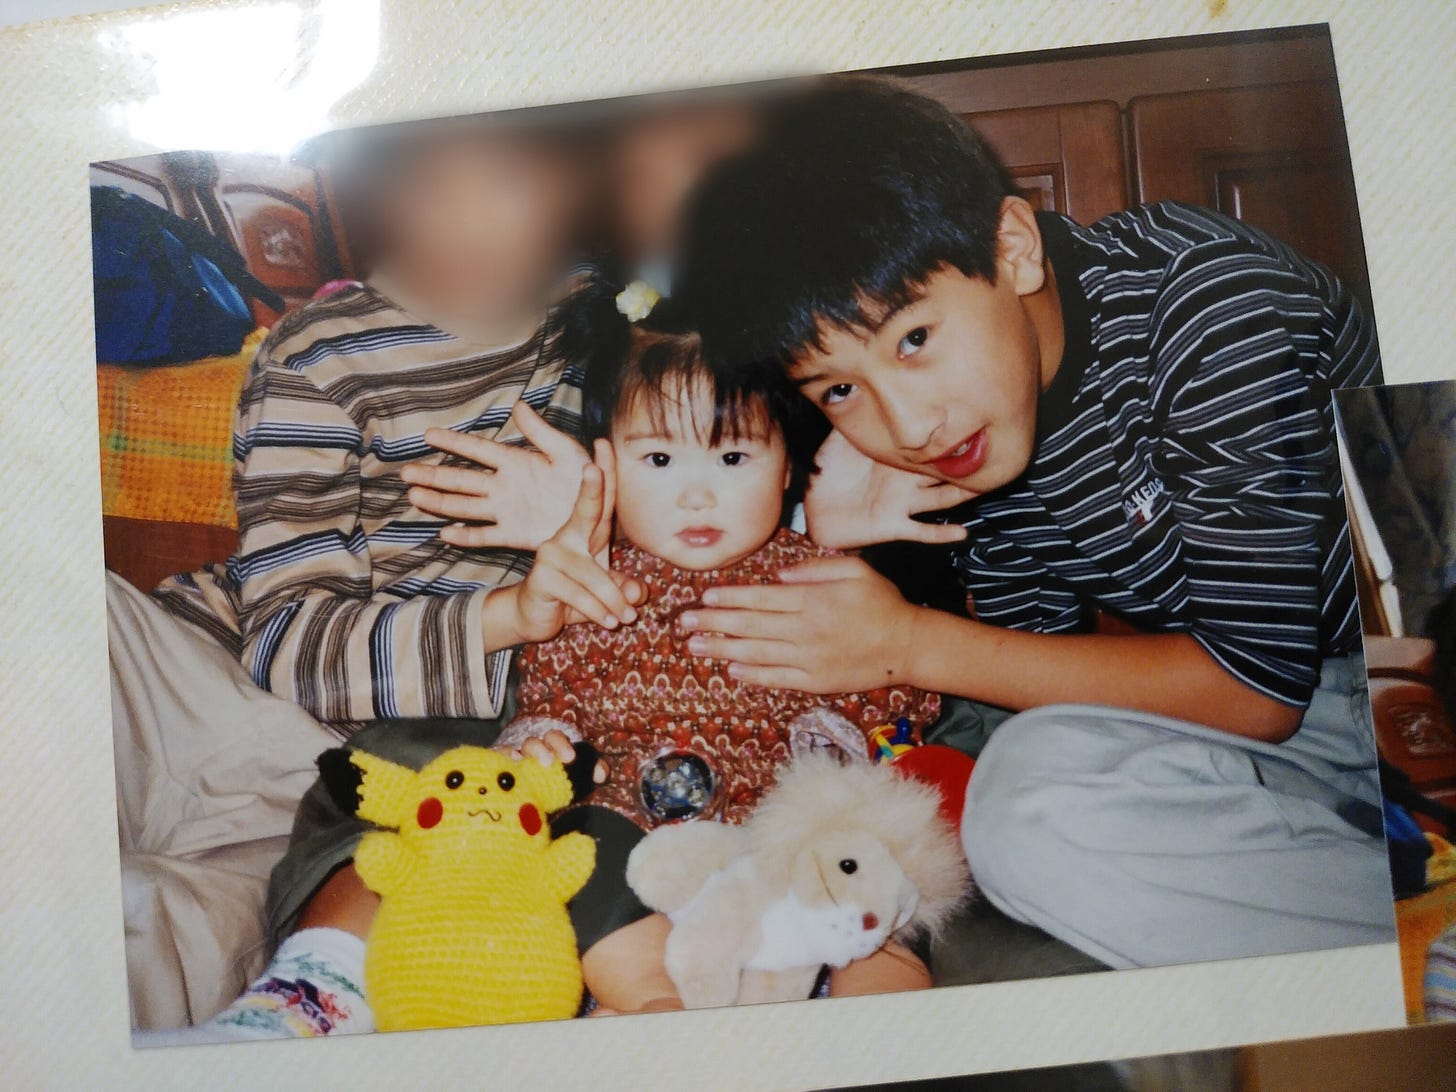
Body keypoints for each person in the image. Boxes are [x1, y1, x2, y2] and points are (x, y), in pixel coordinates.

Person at [668, 75, 1396, 970]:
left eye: (914, 340)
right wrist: (836, 544)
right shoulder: (979, 427)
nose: (909, 427)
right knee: (1024, 799)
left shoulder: (1207, 306)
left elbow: (1257, 688)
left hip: (1405, 669)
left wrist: (908, 640)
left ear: (1012, 248)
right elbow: (1032, 684)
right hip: (1305, 729)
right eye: (842, 388)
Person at [120, 112, 609, 1040]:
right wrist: (512, 612)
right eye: (422, 182)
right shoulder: (318, 354)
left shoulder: (616, 340)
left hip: (348, 788)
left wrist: (564, 558)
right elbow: (285, 641)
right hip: (191, 669)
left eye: (504, 174)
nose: (459, 220)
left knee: (130, 956)